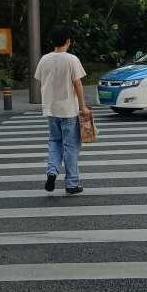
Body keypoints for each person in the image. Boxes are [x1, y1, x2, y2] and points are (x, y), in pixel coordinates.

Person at [34, 26, 91, 195]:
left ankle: (52, 171)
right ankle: (72, 183)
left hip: (51, 109)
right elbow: (77, 84)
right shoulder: (71, 59)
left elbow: (40, 81)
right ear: (68, 41)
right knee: (70, 146)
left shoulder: (44, 59)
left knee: (54, 141)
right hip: (68, 110)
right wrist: (83, 107)